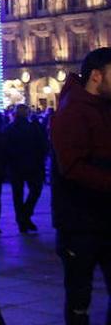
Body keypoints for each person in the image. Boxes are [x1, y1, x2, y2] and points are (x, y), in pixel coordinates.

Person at [50, 47, 111, 325]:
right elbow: (72, 167)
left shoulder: (105, 108)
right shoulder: (72, 112)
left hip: (105, 218)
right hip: (79, 223)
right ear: (97, 76)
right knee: (79, 299)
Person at [4, 103, 49, 233]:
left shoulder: (9, 129)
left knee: (17, 194)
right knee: (35, 190)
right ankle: (26, 214)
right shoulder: (34, 127)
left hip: (15, 166)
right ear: (28, 113)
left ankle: (21, 219)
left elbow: (5, 148)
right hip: (33, 165)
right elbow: (43, 145)